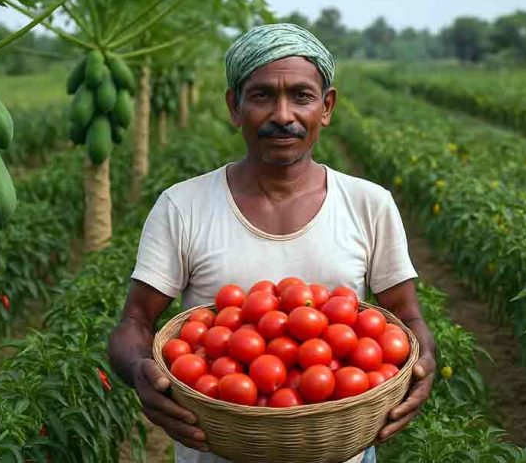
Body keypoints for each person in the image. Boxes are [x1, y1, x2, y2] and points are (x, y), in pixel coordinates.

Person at [108, 23, 436, 463]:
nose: (283, 115)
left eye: (302, 96)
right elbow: (135, 320)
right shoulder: (182, 206)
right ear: (234, 107)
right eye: (262, 96)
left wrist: (423, 363)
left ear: (326, 107)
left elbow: (407, 316)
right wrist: (138, 371)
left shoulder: (369, 205)